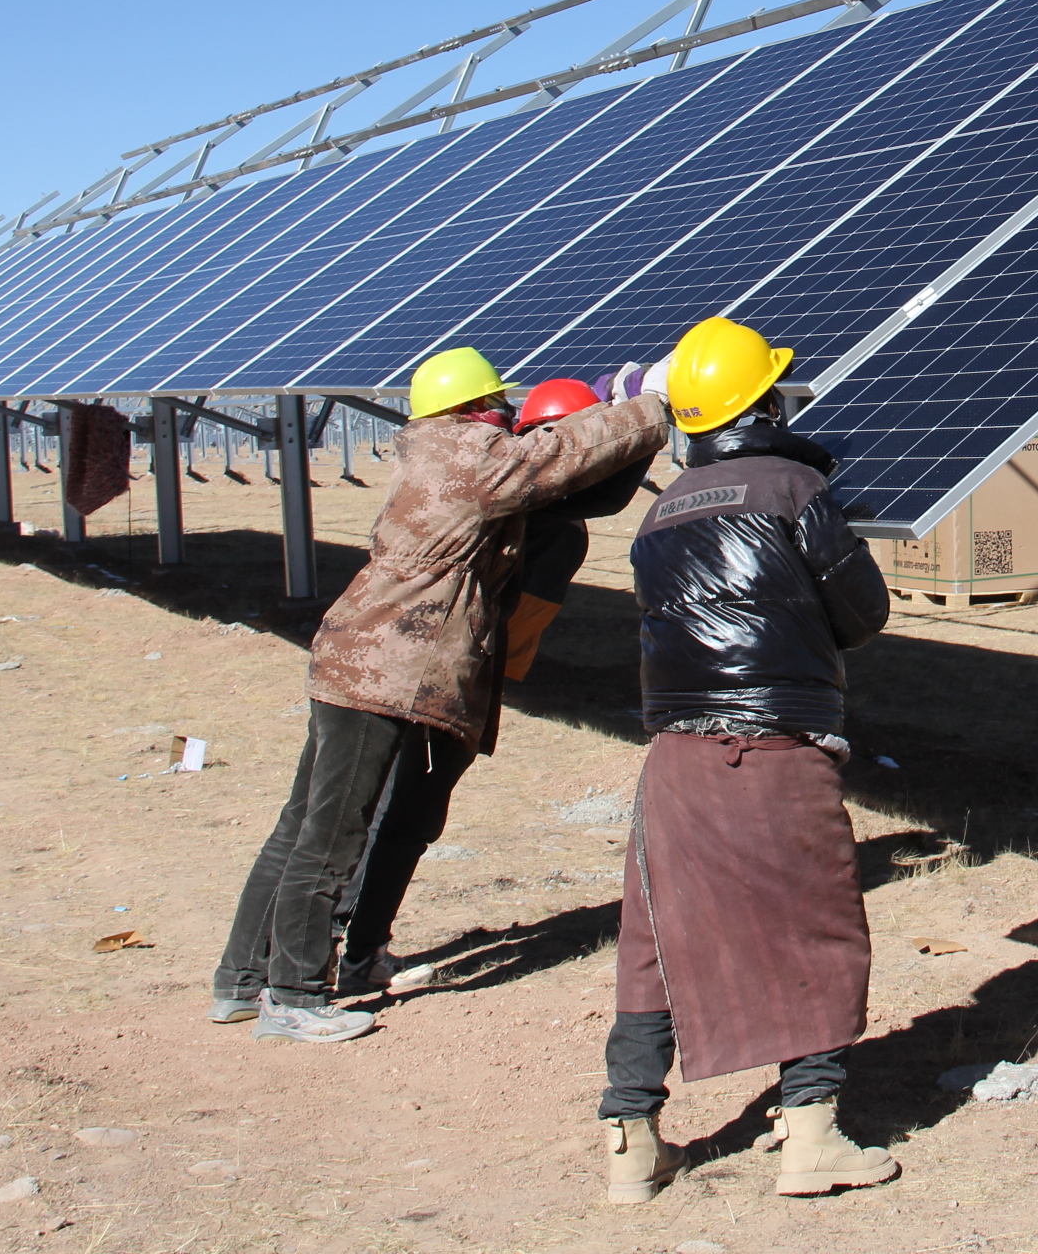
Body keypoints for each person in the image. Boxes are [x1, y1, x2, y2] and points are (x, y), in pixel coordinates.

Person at [209, 346, 670, 1042]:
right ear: (472, 410)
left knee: (302, 825)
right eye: (498, 407)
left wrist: (610, 400)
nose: (507, 418)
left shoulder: (436, 454)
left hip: (356, 661)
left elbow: (577, 478)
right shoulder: (471, 459)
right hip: (386, 674)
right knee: (332, 838)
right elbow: (559, 457)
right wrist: (650, 403)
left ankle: (242, 981)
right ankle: (294, 995)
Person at [596, 316, 897, 1204]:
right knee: (815, 929)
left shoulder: (658, 514)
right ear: (762, 404)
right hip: (772, 752)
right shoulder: (795, 487)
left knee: (655, 941)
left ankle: (630, 1142)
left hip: (672, 761)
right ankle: (812, 1138)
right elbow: (864, 614)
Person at [325, 378, 652, 997]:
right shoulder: (551, 522)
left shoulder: (483, 474)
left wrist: (608, 403)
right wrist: (633, 415)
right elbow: (598, 498)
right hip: (448, 681)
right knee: (400, 818)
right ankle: (352, 949)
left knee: (367, 813)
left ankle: (339, 947)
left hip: (398, 667)